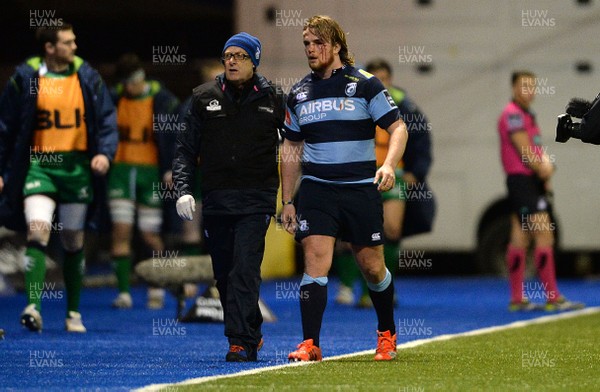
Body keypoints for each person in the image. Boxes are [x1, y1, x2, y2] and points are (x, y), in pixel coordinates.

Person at [280, 15, 408, 361]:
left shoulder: (365, 84)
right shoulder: (299, 93)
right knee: (315, 260)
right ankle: (310, 344)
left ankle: (386, 334)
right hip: (318, 191)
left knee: (372, 267)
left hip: (359, 190)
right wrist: (288, 200)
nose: (311, 49)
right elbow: (291, 148)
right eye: (306, 43)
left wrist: (389, 165)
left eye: (318, 42)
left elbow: (398, 128)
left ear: (336, 46)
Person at [172, 32, 285, 362]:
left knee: (244, 270)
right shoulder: (202, 98)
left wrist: (292, 197)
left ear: (255, 61)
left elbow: (295, 144)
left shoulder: (274, 98)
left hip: (257, 198)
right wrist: (183, 189)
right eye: (227, 56)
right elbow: (185, 149)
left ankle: (239, 341)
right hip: (218, 197)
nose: (232, 61)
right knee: (223, 274)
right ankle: (252, 327)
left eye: (240, 56)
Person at [0, 24, 118, 332]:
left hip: (77, 168)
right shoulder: (26, 78)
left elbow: (107, 119)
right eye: (68, 42)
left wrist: (105, 153)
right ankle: (33, 307)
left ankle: (73, 313)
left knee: (72, 239)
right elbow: (6, 126)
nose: (75, 46)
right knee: (37, 232)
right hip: (39, 166)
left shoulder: (88, 77)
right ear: (50, 48)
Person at [334, 58, 434, 308]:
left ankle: (380, 289)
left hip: (393, 174)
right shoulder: (354, 102)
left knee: (391, 230)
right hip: (360, 174)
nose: (382, 83)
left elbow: (421, 140)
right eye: (377, 78)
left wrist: (416, 172)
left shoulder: (404, 106)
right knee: (350, 233)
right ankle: (347, 286)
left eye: (385, 78)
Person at [498, 71, 584, 312]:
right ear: (514, 88)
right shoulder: (513, 115)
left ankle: (517, 300)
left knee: (520, 238)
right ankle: (553, 297)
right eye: (524, 86)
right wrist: (544, 169)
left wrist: (544, 170)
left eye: (532, 86)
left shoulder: (526, 114)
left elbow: (535, 148)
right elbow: (526, 151)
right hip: (523, 183)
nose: (529, 91)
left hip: (527, 183)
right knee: (545, 235)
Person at [108, 53, 180, 309]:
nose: (129, 88)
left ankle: (156, 287)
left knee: (150, 234)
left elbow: (173, 138)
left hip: (149, 171)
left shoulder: (163, 101)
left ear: (140, 78)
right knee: (121, 231)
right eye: (125, 84)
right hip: (120, 171)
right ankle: (124, 292)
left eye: (132, 82)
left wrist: (171, 168)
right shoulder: (114, 99)